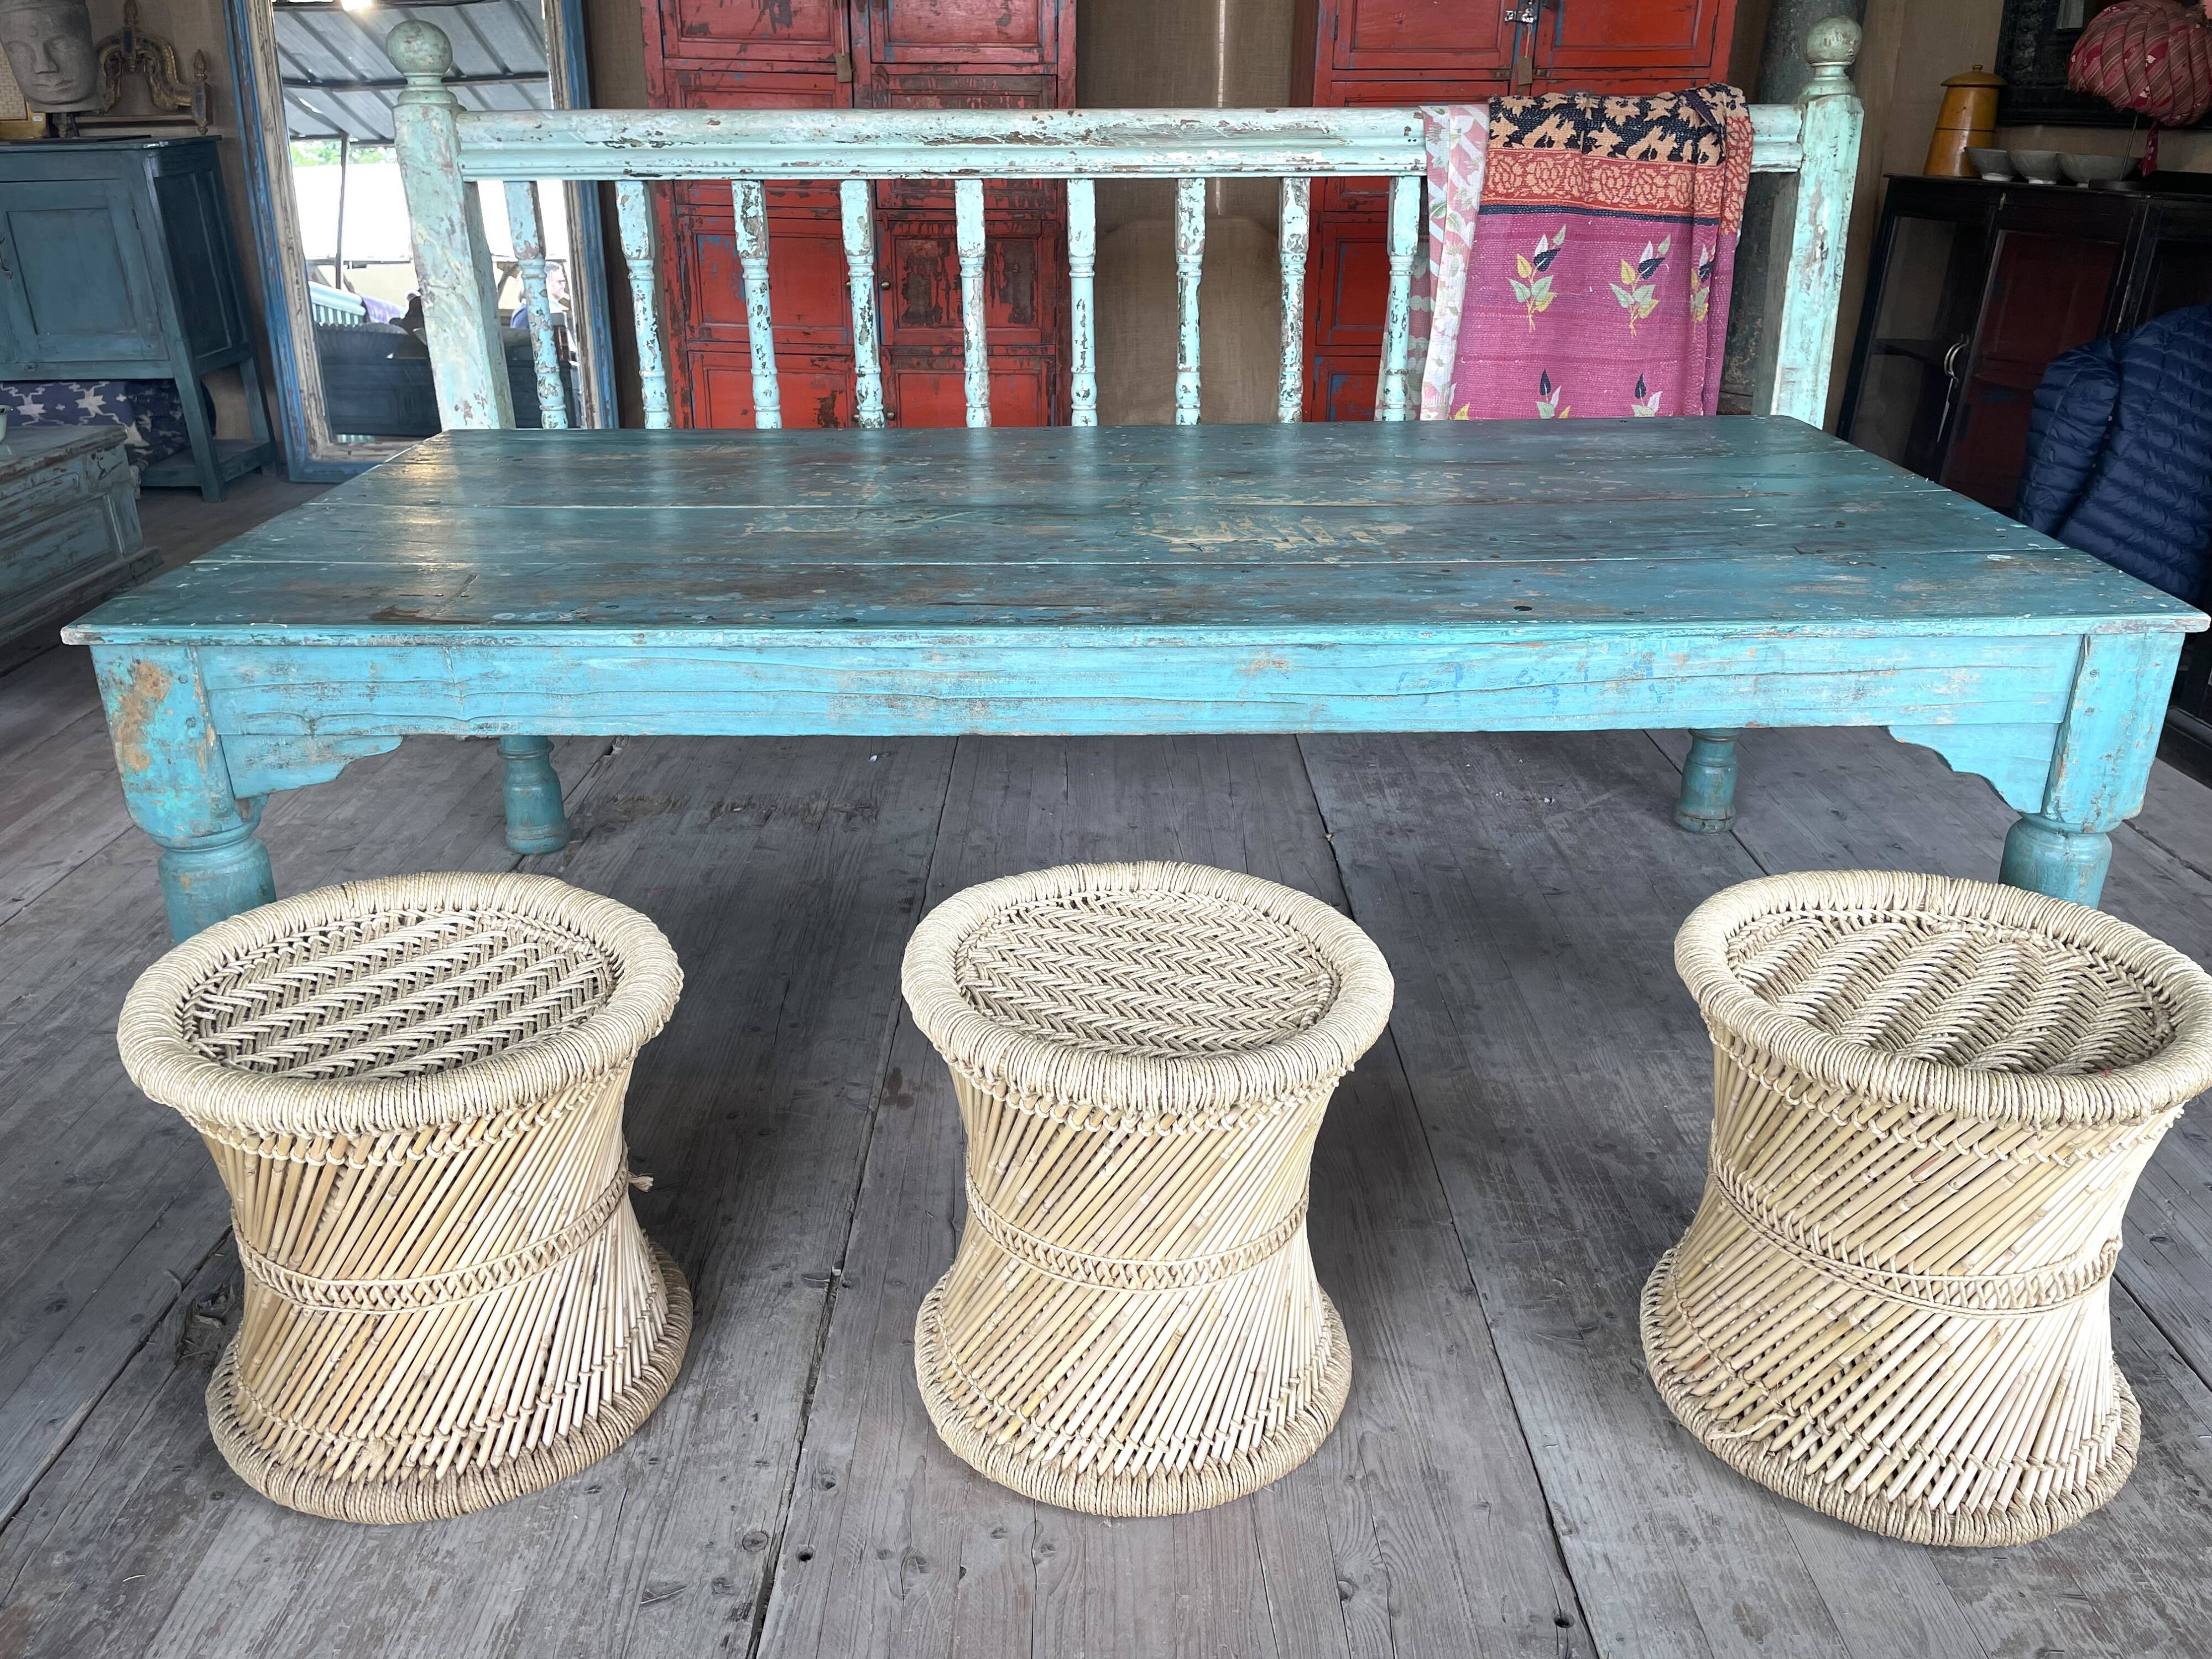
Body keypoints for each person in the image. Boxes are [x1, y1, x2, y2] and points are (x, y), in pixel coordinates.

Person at [2016, 301, 2212, 603]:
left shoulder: (2182, 328)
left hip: (2105, 538)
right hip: (2163, 567)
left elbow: (2078, 378)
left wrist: (2038, 530)